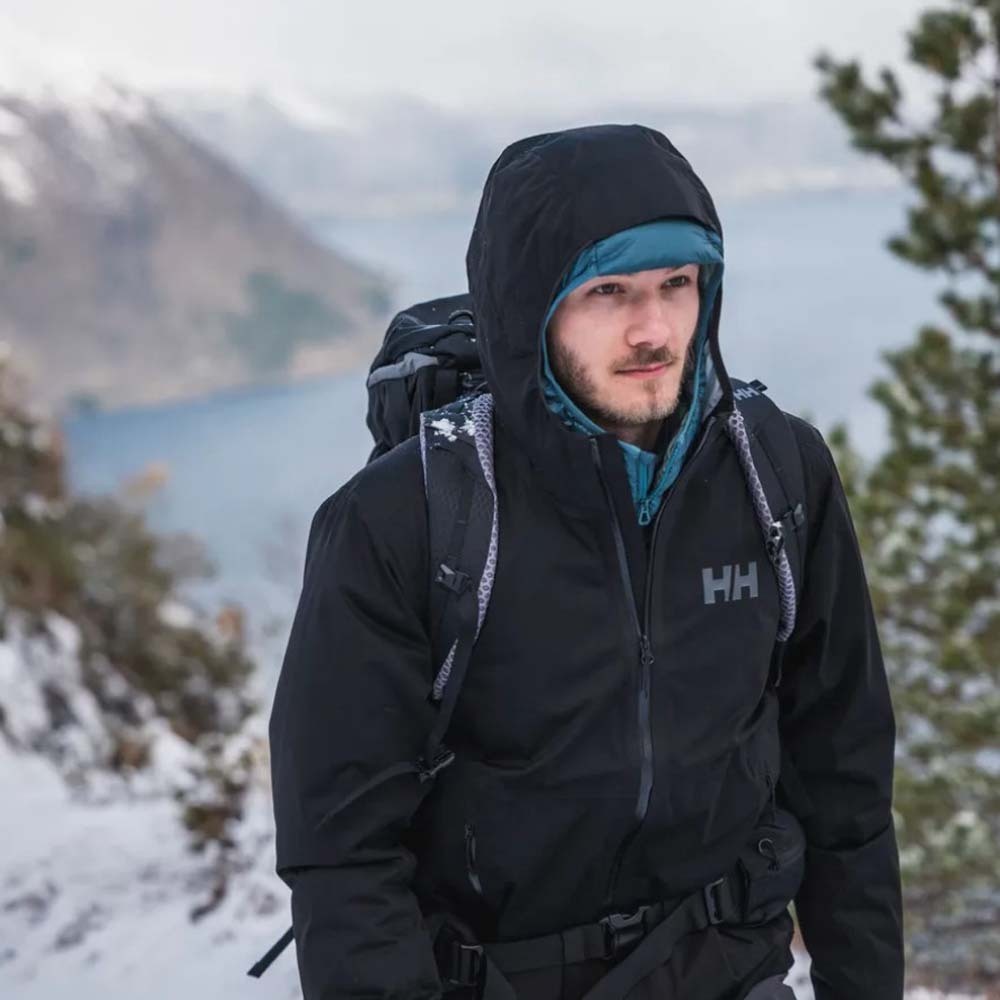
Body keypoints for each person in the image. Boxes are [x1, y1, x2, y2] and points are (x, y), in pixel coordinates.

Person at [268, 123, 904, 1000]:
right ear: (531, 309)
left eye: (677, 284)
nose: (653, 328)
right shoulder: (407, 518)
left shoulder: (775, 476)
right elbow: (343, 853)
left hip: (729, 965)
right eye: (607, 291)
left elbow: (845, 777)